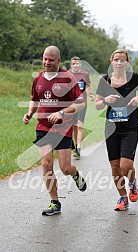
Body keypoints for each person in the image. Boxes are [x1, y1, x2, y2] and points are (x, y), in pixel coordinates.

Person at [23, 46, 87, 216]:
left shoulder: (67, 78)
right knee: (46, 164)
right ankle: (54, 202)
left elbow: (80, 103)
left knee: (65, 168)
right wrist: (30, 113)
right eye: (44, 59)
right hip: (43, 127)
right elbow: (34, 99)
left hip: (63, 128)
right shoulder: (38, 78)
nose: (46, 62)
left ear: (58, 60)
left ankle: (75, 175)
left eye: (51, 60)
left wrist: (62, 112)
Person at [95, 49, 138, 211]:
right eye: (116, 60)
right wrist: (105, 100)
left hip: (130, 127)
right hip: (111, 128)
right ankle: (123, 197)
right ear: (111, 61)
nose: (119, 63)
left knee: (125, 166)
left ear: (127, 62)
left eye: (122, 60)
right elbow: (97, 104)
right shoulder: (105, 80)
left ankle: (132, 184)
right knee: (114, 166)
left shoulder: (134, 78)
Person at [68, 56, 95, 159]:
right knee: (73, 126)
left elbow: (89, 84)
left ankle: (78, 148)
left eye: (77, 63)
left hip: (82, 103)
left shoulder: (84, 74)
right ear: (71, 65)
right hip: (71, 105)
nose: (76, 65)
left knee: (80, 125)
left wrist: (91, 94)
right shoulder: (67, 75)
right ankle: (75, 147)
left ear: (80, 64)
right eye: (73, 63)